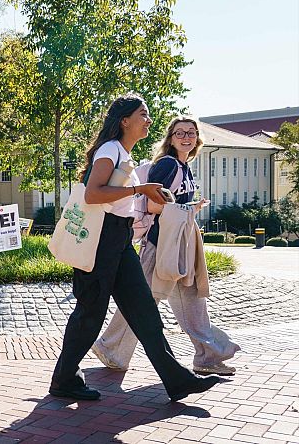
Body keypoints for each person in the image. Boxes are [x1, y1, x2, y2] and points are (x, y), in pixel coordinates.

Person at [48, 94, 220, 402]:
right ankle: (63, 379)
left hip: (120, 240)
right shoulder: (110, 149)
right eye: (143, 114)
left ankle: (177, 380)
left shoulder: (123, 152)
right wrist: (139, 189)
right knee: (90, 313)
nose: (149, 120)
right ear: (125, 120)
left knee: (144, 312)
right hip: (101, 241)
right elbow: (92, 195)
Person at [92, 116, 240, 375]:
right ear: (170, 138)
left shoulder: (185, 166)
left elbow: (171, 205)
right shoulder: (167, 165)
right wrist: (187, 208)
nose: (186, 137)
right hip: (160, 244)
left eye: (191, 133)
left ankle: (207, 357)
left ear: (197, 139)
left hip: (178, 243)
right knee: (144, 302)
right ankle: (110, 347)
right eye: (180, 133)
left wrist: (191, 208)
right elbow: (151, 205)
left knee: (190, 301)